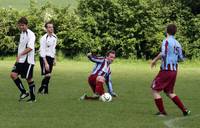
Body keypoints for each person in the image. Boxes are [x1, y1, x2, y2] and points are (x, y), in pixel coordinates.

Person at [151, 24, 190, 116]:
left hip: (166, 70)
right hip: (174, 70)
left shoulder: (166, 41)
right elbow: (181, 58)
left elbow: (163, 53)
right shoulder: (177, 43)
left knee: (154, 89)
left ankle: (162, 112)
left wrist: (154, 60)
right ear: (175, 32)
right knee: (169, 92)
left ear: (166, 31)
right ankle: (184, 110)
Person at [10, 17, 36, 102]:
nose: (21, 27)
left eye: (23, 25)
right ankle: (24, 92)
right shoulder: (22, 33)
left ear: (26, 25)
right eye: (20, 25)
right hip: (20, 60)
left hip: (28, 61)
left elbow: (30, 48)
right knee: (13, 75)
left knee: (29, 78)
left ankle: (33, 98)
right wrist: (19, 56)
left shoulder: (31, 34)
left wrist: (20, 54)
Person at [38, 22, 57, 94]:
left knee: (48, 75)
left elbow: (53, 48)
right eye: (49, 27)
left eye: (52, 27)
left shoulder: (55, 37)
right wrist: (45, 63)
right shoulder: (43, 38)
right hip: (44, 57)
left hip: (51, 57)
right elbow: (42, 51)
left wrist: (54, 58)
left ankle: (45, 91)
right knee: (47, 75)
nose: (51, 28)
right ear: (46, 29)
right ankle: (41, 89)